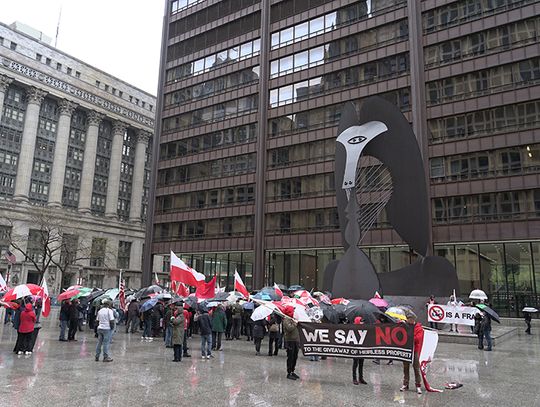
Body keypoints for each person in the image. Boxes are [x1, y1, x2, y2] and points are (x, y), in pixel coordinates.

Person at [400, 312, 424, 394]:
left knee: (416, 368)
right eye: (408, 319)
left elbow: (418, 339)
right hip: (406, 349)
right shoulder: (404, 326)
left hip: (415, 350)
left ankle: (418, 385)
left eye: (411, 319)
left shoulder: (418, 328)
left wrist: (409, 336)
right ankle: (405, 384)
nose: (409, 320)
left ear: (414, 319)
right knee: (405, 367)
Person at [283, 307, 300, 380]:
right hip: (290, 341)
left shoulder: (292, 319)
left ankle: (293, 371)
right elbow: (289, 328)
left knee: (295, 356)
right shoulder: (286, 319)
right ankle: (289, 372)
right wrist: (295, 324)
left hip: (296, 340)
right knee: (290, 357)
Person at [352, 316, 367, 385]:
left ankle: (361, 378)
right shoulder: (353, 329)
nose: (362, 323)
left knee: (361, 364)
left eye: (363, 321)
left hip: (362, 349)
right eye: (361, 321)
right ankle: (354, 378)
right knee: (355, 364)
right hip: (355, 349)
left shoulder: (363, 328)